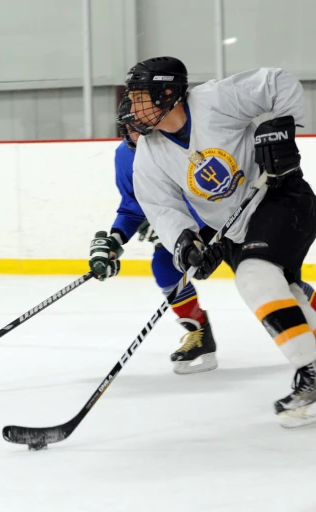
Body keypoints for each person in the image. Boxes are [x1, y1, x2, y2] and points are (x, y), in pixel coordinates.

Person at [118, 56, 316, 427]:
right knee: (292, 302)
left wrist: (280, 126)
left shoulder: (215, 100)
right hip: (238, 231)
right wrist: (185, 244)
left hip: (282, 199)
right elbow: (162, 209)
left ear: (168, 92)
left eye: (140, 96)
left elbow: (278, 82)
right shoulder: (149, 155)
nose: (132, 105)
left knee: (253, 276)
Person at [87, 98, 217, 375]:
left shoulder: (172, 144)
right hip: (182, 229)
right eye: (130, 127)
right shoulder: (125, 155)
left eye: (141, 125)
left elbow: (203, 188)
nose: (136, 133)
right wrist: (115, 239)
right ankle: (199, 333)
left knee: (260, 269)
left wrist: (175, 224)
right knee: (164, 266)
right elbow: (133, 206)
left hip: (219, 219)